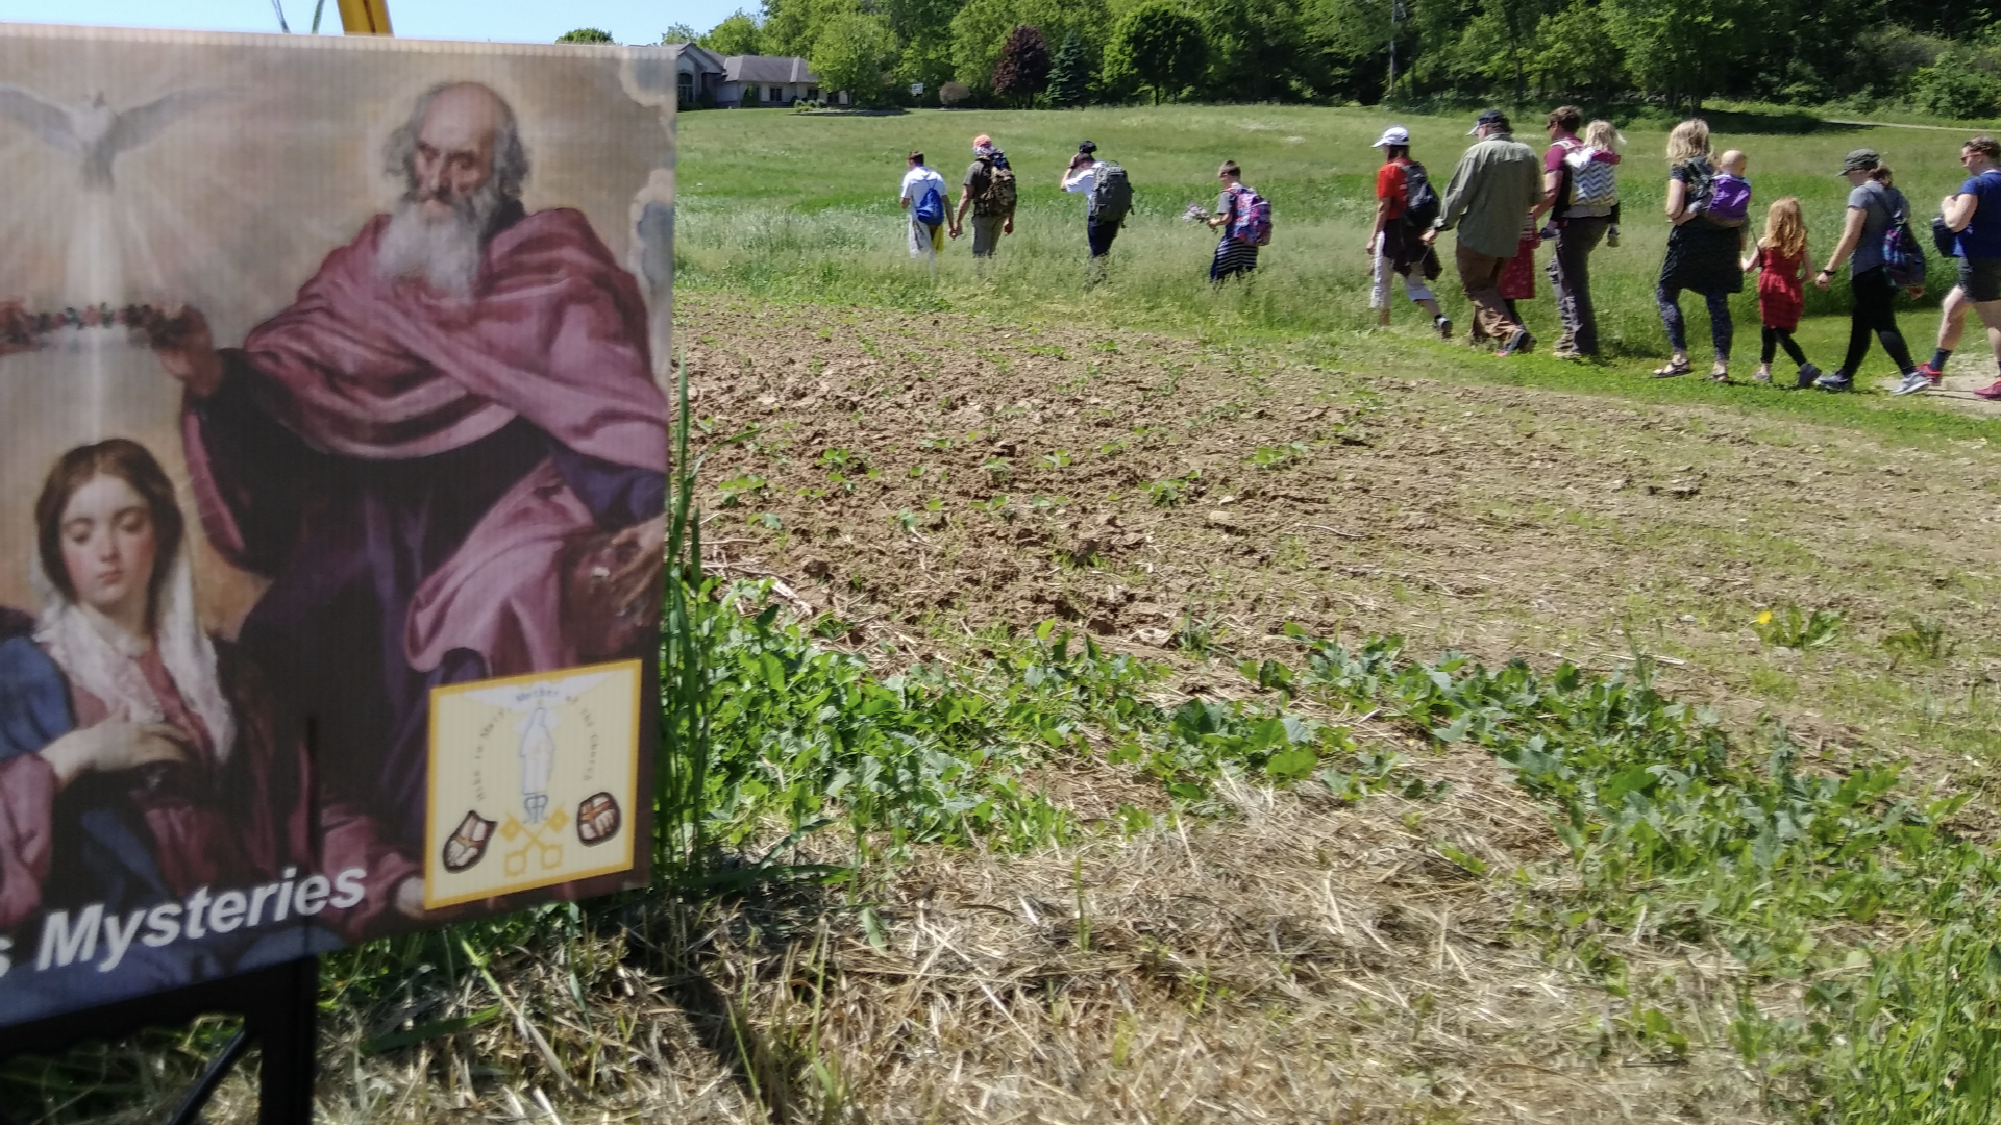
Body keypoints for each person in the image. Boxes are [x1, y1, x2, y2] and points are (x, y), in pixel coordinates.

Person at [140, 82, 670, 852]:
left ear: (501, 175)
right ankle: (340, 869)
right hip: (374, 516)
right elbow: (294, 381)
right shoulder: (368, 266)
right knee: (284, 636)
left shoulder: (551, 269)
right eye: (427, 154)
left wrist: (652, 505)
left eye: (463, 162)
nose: (436, 178)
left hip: (505, 507)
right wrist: (210, 377)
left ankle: (463, 865)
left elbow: (601, 411)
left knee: (475, 631)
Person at [0, 441, 416, 1023]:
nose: (108, 551)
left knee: (314, 956)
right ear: (55, 549)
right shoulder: (19, 676)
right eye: (81, 533)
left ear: (162, 533)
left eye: (129, 524)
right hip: (107, 945)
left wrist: (393, 884)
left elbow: (308, 804)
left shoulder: (223, 673)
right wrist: (73, 757)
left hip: (240, 922)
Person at [1421, 109, 1541, 355]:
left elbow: (1458, 194)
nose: (1476, 136)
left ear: (1485, 128)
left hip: (1477, 235)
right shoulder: (1528, 154)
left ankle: (1512, 333)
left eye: (1477, 132)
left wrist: (1439, 225)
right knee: (1489, 288)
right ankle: (1478, 338)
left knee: (1476, 287)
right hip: (1510, 236)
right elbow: (1536, 196)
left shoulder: (1478, 152)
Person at [1812, 151, 1922, 393]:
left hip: (1868, 268)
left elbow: (1851, 235)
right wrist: (1912, 276)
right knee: (1861, 321)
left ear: (1860, 170)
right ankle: (1844, 377)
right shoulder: (1896, 194)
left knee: (1883, 322)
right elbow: (1906, 237)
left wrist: (1828, 270)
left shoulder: (1861, 193)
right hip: (1893, 267)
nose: (1849, 179)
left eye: (1849, 173)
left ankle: (1911, 374)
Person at [1652, 119, 1743, 381]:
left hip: (1691, 241)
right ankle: (1721, 367)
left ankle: (1679, 358)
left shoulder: (1682, 168)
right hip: (1724, 240)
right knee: (1717, 301)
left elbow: (1672, 209)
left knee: (1666, 292)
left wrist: (1681, 215)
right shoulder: (1720, 167)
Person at [1533, 106, 1612, 358]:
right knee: (1557, 271)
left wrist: (1530, 217)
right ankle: (1569, 333)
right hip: (1599, 219)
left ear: (1555, 124)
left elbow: (1551, 192)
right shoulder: (1588, 148)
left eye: (1549, 126)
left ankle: (1584, 344)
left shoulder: (1558, 151)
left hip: (1573, 222)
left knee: (1575, 282)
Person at [1927, 134, 2001, 398]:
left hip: (1978, 257)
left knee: (1994, 319)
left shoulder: (1976, 183)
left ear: (1979, 156)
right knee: (1953, 308)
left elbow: (1956, 223)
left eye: (1964, 158)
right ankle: (1935, 368)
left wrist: (1948, 206)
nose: (1963, 164)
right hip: (1996, 257)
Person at [1364, 125, 1450, 338]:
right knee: (1415, 282)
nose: (1383, 150)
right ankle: (1439, 318)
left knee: (1382, 279)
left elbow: (1384, 207)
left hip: (1393, 232)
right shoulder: (1418, 168)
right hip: (1416, 232)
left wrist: (1373, 238)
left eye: (1385, 147)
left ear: (1391, 147)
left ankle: (1383, 327)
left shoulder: (1388, 170)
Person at [1742, 197, 1822, 386]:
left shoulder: (1766, 242)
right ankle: (1764, 370)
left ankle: (1805, 366)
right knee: (1769, 328)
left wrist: (1739, 257)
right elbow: (1810, 273)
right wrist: (1795, 283)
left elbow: (1749, 268)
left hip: (1770, 289)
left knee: (1778, 332)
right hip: (1790, 288)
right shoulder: (1799, 245)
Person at [1060, 140, 1126, 283]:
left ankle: (1094, 280)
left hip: (1097, 217)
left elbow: (1063, 187)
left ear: (1083, 164)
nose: (1079, 171)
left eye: (1079, 168)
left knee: (1096, 251)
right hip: (1114, 216)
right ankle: (1102, 276)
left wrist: (1070, 167)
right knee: (1105, 249)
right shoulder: (1107, 167)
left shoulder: (1087, 174)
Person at [951, 133, 1015, 259]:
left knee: (980, 254)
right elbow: (1011, 194)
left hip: (983, 215)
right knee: (990, 252)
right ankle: (990, 276)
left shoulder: (975, 168)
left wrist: (957, 221)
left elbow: (966, 197)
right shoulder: (1002, 165)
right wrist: (1010, 219)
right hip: (1001, 214)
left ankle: (981, 277)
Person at [1206, 160, 1264, 282]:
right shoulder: (1252, 193)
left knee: (1216, 281)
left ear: (1226, 175)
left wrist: (1214, 222)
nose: (1221, 181)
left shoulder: (1228, 194)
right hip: (1250, 243)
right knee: (1246, 282)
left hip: (1232, 242)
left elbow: (1227, 219)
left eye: (1220, 177)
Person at [899, 150, 947, 266]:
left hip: (919, 218)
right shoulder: (937, 176)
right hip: (937, 218)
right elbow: (946, 202)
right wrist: (952, 224)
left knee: (919, 252)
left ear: (911, 162)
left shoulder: (911, 177)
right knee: (934, 250)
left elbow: (903, 203)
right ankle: (933, 273)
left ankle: (924, 276)